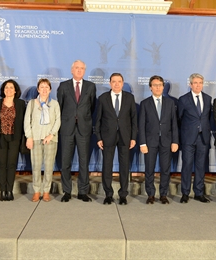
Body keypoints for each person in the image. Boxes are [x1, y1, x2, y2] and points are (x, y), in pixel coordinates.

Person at [57, 60, 96, 202]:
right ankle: (66, 191)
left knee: (84, 162)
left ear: (84, 71)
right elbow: (59, 108)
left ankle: (82, 192)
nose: (79, 70)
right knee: (65, 161)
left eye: (82, 68)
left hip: (84, 129)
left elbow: (92, 107)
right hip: (67, 129)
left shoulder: (91, 86)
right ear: (71, 70)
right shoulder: (63, 86)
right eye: (77, 68)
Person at [96, 73, 137, 205]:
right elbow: (98, 120)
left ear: (123, 83)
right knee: (107, 166)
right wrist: (98, 137)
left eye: (119, 81)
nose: (117, 84)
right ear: (110, 83)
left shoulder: (130, 98)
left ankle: (123, 194)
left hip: (125, 137)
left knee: (124, 167)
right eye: (114, 81)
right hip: (107, 136)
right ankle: (108, 194)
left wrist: (133, 137)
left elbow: (133, 119)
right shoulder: (103, 98)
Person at [139, 75, 179, 204]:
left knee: (165, 169)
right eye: (155, 85)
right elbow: (141, 125)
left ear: (163, 87)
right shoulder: (145, 103)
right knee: (149, 169)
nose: (158, 87)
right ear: (150, 87)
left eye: (160, 85)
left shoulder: (170, 103)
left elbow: (174, 124)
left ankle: (163, 194)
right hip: (150, 142)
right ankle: (150, 194)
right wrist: (143, 143)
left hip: (166, 142)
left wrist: (175, 141)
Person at [177, 73, 212, 204]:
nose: (198, 85)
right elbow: (179, 119)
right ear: (190, 84)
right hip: (188, 138)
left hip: (203, 138)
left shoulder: (208, 99)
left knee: (200, 166)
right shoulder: (183, 99)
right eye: (195, 83)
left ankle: (199, 192)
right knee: (186, 165)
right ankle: (185, 193)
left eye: (200, 83)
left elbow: (207, 118)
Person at [24, 79, 61, 202]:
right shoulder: (32, 103)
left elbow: (58, 121)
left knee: (49, 166)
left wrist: (51, 135)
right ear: (38, 89)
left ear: (50, 90)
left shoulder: (55, 104)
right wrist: (29, 137)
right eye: (42, 87)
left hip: (51, 139)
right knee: (36, 166)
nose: (44, 90)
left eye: (46, 87)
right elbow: (26, 122)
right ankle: (36, 191)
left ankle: (46, 191)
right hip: (35, 138)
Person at [0, 79, 25, 201]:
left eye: (11, 87)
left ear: (15, 90)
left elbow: (23, 122)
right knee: (2, 164)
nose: (9, 90)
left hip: (14, 138)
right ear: (3, 90)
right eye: (6, 87)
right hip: (0, 137)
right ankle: (3, 191)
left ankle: (10, 191)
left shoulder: (20, 103)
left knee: (12, 164)